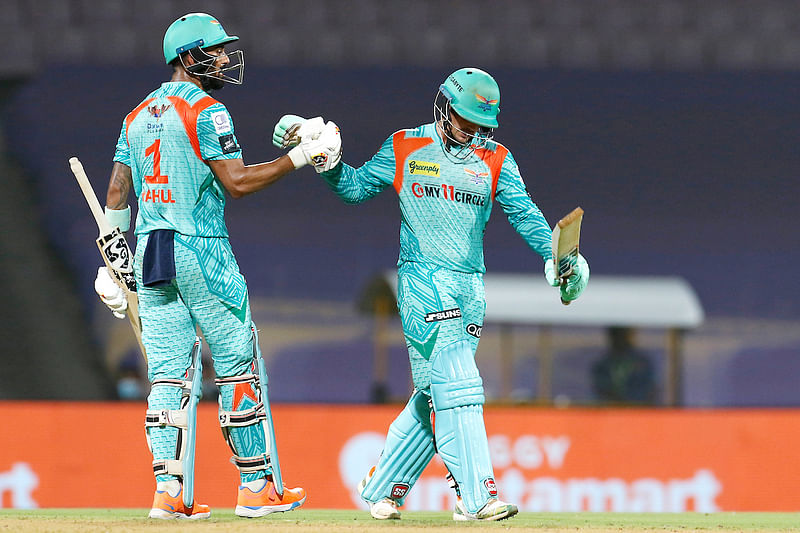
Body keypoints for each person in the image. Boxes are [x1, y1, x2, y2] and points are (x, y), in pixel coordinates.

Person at [272, 68, 589, 521]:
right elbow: (356, 190)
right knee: (458, 380)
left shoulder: (496, 157)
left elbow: (525, 214)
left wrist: (556, 257)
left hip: (470, 287)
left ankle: (382, 485)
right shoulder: (405, 145)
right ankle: (475, 496)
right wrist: (328, 164)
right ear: (443, 107)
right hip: (421, 280)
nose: (474, 132)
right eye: (467, 122)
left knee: (434, 391)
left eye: (483, 125)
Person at [92, 12, 339, 520]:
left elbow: (118, 191)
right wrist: (301, 156)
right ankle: (256, 488)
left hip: (151, 250)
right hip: (201, 249)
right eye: (216, 50)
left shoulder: (135, 115)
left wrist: (115, 260)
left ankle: (170, 492)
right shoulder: (209, 111)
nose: (225, 59)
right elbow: (238, 182)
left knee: (166, 376)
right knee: (238, 366)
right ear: (187, 57)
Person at [591, 327, 656, 404]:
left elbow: (650, 390)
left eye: (624, 335)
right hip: (610, 411)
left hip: (639, 411)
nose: (621, 339)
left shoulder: (642, 363)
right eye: (618, 335)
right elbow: (602, 390)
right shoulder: (603, 365)